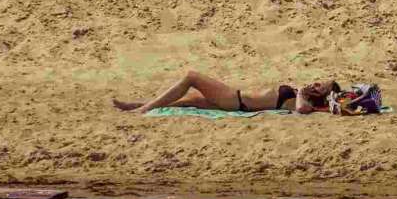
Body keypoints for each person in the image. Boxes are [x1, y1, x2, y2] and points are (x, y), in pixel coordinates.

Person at [112, 70, 341, 114]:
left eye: (322, 86)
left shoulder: (304, 102)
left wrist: (301, 93)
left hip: (234, 99)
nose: (316, 84)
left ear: (324, 95)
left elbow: (301, 110)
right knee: (186, 100)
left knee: (191, 77)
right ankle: (137, 105)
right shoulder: (302, 93)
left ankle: (144, 109)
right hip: (235, 102)